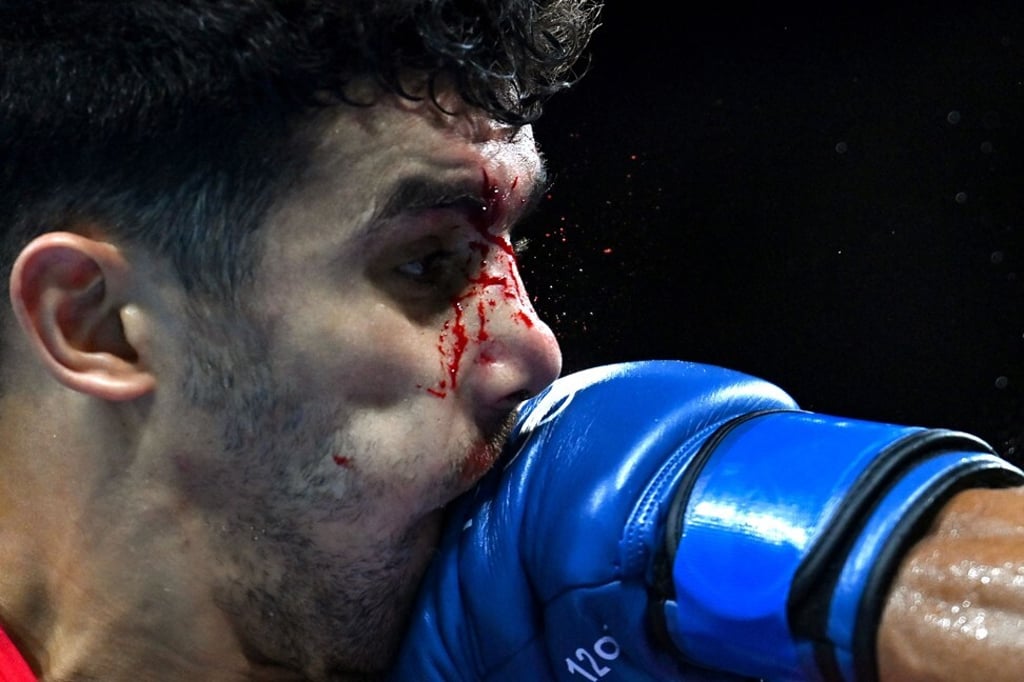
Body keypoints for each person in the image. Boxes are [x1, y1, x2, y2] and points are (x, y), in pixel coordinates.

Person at [0, 2, 1023, 682]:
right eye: (426, 264)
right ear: (96, 323)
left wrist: (844, 554)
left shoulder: (590, 552)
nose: (533, 349)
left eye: (509, 242)